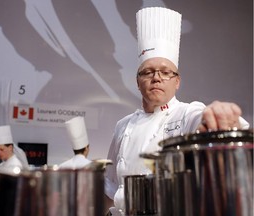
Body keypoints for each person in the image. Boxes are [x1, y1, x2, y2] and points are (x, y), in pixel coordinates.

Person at [104, 7, 250, 215]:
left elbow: (203, 117)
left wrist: (218, 115)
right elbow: (109, 188)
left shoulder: (185, 113)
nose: (156, 78)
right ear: (138, 82)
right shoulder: (122, 126)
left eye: (165, 72)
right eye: (148, 72)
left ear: (177, 82)